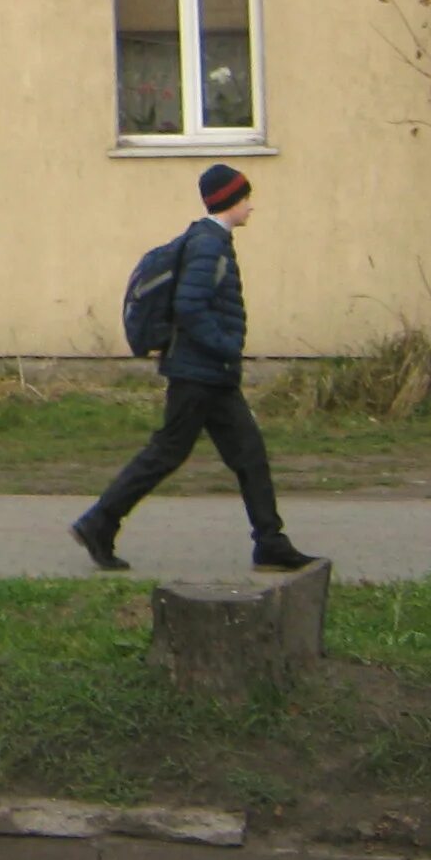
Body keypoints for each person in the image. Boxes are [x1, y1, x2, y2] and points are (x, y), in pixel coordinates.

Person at [72, 164, 317, 574]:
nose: (251, 207)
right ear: (229, 201)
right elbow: (189, 306)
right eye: (245, 199)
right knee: (167, 452)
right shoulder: (208, 245)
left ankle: (270, 541)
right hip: (197, 372)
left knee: (249, 454)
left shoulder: (212, 241)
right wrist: (226, 345)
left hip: (211, 374)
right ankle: (99, 522)